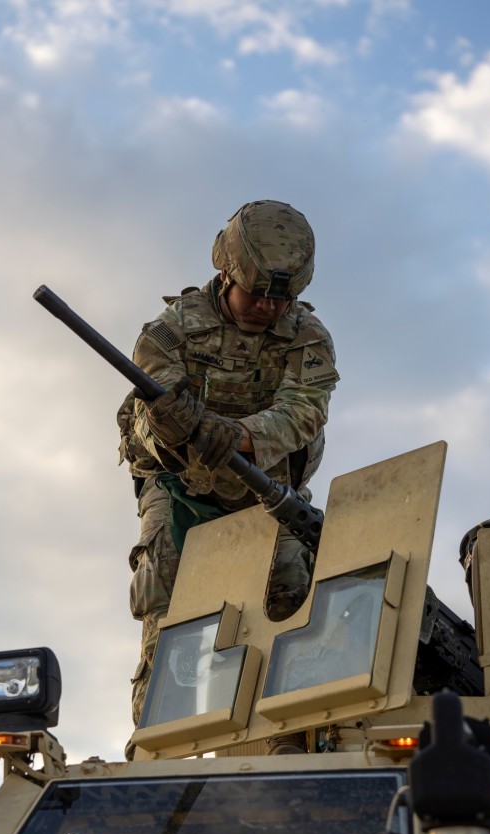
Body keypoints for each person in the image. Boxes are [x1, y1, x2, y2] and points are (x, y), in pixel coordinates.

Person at [118, 200, 339, 755]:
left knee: (292, 601)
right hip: (181, 491)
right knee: (167, 610)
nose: (267, 306)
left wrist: (236, 437)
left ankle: (289, 740)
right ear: (226, 274)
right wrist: (173, 428)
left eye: (279, 298)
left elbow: (303, 412)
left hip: (268, 498)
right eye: (256, 292)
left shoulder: (307, 336)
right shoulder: (171, 332)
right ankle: (158, 746)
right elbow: (141, 426)